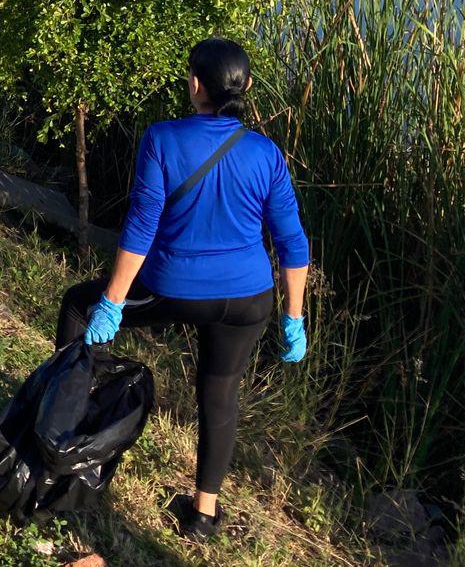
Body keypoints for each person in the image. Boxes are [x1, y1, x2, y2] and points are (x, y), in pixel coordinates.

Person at [55, 38, 309, 540]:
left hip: (174, 288)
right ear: (248, 87)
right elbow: (292, 244)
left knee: (78, 305)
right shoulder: (267, 153)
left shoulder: (162, 138)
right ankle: (203, 516)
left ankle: (62, 430)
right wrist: (294, 319)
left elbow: (141, 227)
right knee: (219, 395)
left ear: (195, 85)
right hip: (248, 300)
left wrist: (111, 304)